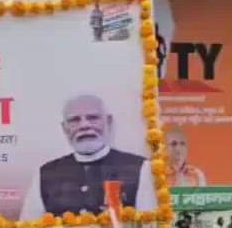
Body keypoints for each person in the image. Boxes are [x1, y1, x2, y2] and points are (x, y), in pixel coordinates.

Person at [20, 94, 156, 219]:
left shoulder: (139, 168)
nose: (84, 125)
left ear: (108, 121)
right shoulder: (45, 173)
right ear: (64, 128)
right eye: (75, 120)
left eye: (93, 118)